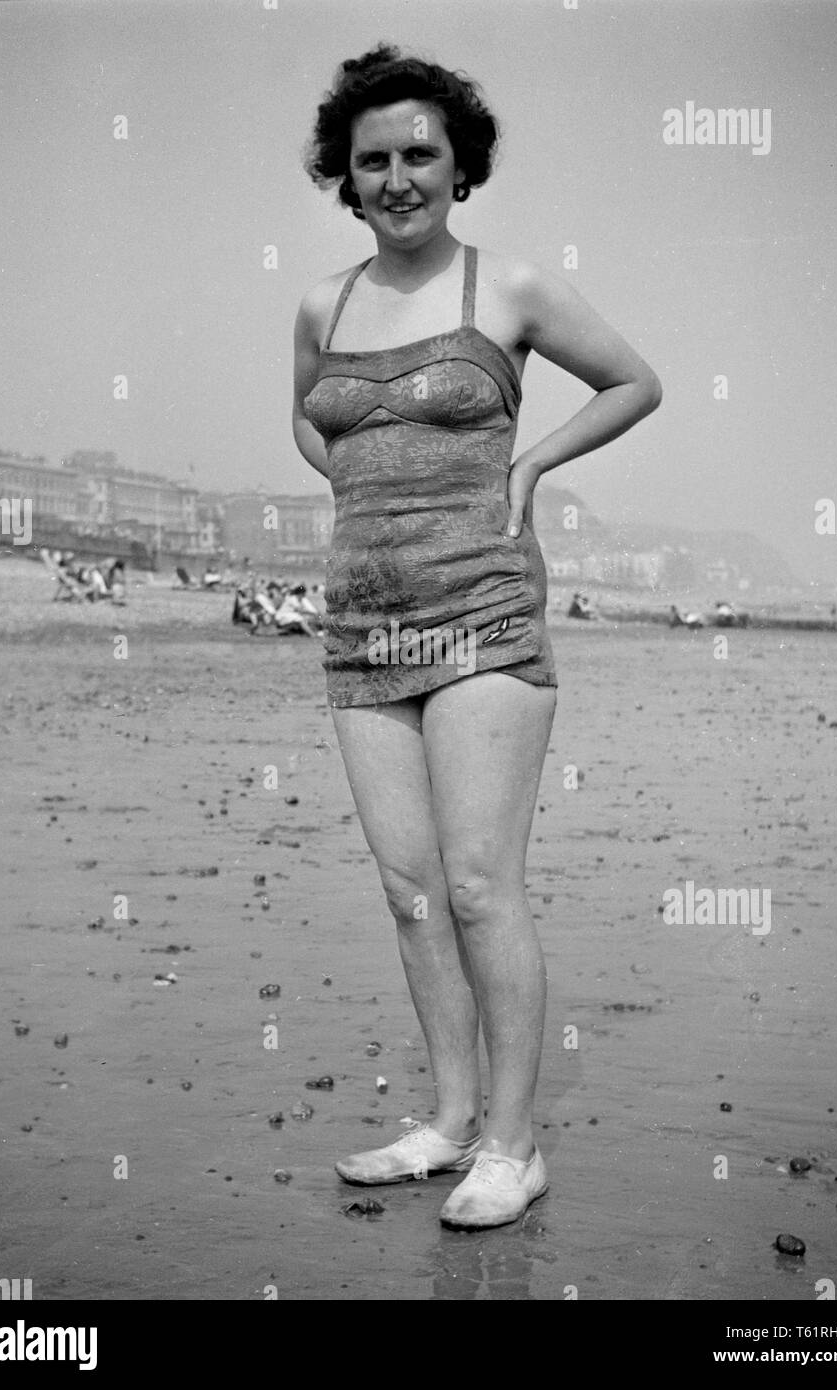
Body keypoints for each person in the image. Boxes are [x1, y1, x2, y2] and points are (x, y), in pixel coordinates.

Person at [293, 45, 662, 1229]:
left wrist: (530, 463)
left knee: (476, 885)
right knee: (407, 891)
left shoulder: (507, 288)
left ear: (459, 165)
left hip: (483, 611)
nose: (398, 177)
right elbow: (312, 426)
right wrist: (373, 499)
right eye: (373, 161)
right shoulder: (323, 303)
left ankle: (514, 1143)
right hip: (363, 618)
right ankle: (446, 1122)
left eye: (419, 155)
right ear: (345, 179)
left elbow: (631, 381)